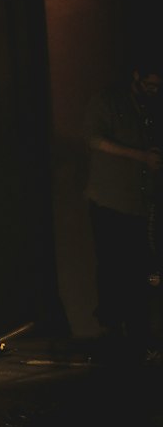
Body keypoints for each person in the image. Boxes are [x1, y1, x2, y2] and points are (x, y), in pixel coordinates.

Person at [82, 49, 162, 365]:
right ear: (136, 78)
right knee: (113, 266)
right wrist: (140, 156)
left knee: (140, 269)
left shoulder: (150, 110)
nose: (154, 91)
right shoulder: (108, 102)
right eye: (150, 84)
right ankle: (112, 331)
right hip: (109, 200)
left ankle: (139, 335)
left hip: (139, 203)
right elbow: (93, 139)